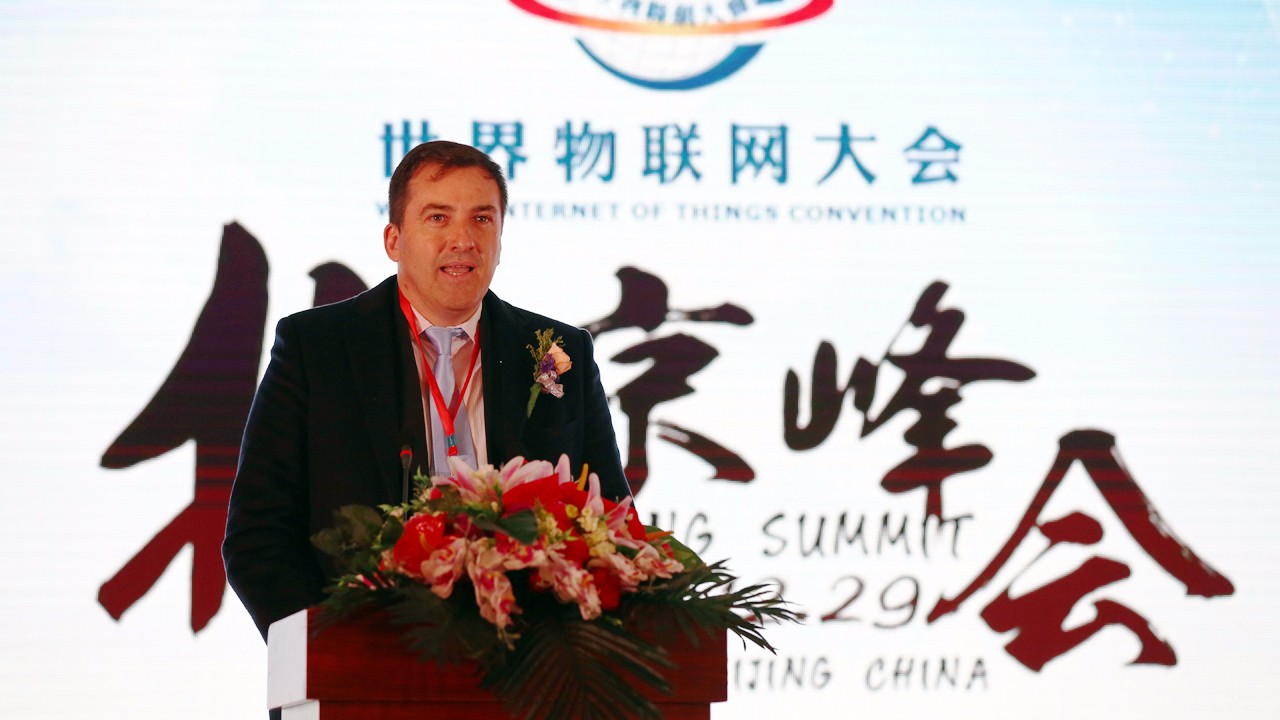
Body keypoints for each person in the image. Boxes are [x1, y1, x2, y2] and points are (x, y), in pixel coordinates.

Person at [222, 140, 629, 640]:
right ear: (394, 240)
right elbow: (258, 536)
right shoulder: (318, 349)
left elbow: (611, 522)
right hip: (365, 661)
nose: (463, 240)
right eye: (438, 218)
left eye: (482, 219)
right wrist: (332, 650)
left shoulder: (558, 353)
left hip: (530, 661)